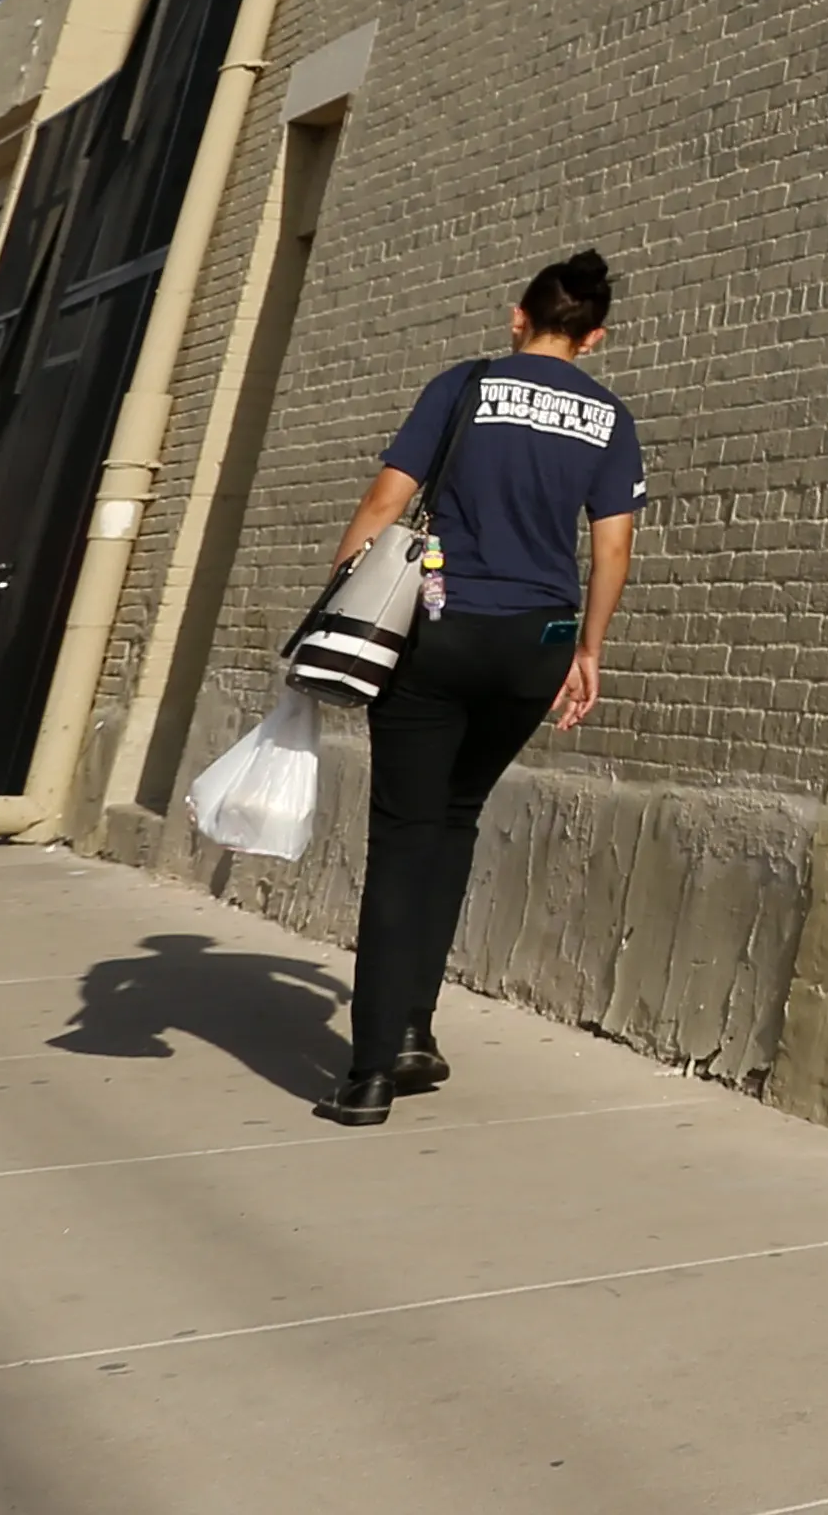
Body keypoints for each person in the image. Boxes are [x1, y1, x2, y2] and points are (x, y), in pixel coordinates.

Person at [314, 249, 640, 1126]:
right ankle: (416, 1027)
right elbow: (610, 548)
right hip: (538, 640)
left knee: (405, 833)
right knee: (455, 820)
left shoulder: (464, 385)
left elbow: (388, 501)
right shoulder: (610, 418)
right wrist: (590, 650)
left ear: (516, 316)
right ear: (595, 336)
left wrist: (339, 599)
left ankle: (371, 1067)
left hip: (442, 627)